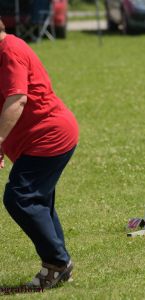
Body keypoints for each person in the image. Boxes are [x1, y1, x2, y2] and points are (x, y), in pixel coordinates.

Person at [0, 19, 79, 289]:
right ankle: (60, 264)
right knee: (38, 200)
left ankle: (56, 263)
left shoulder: (9, 50)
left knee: (20, 197)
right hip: (39, 139)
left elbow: (17, 99)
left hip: (50, 136)